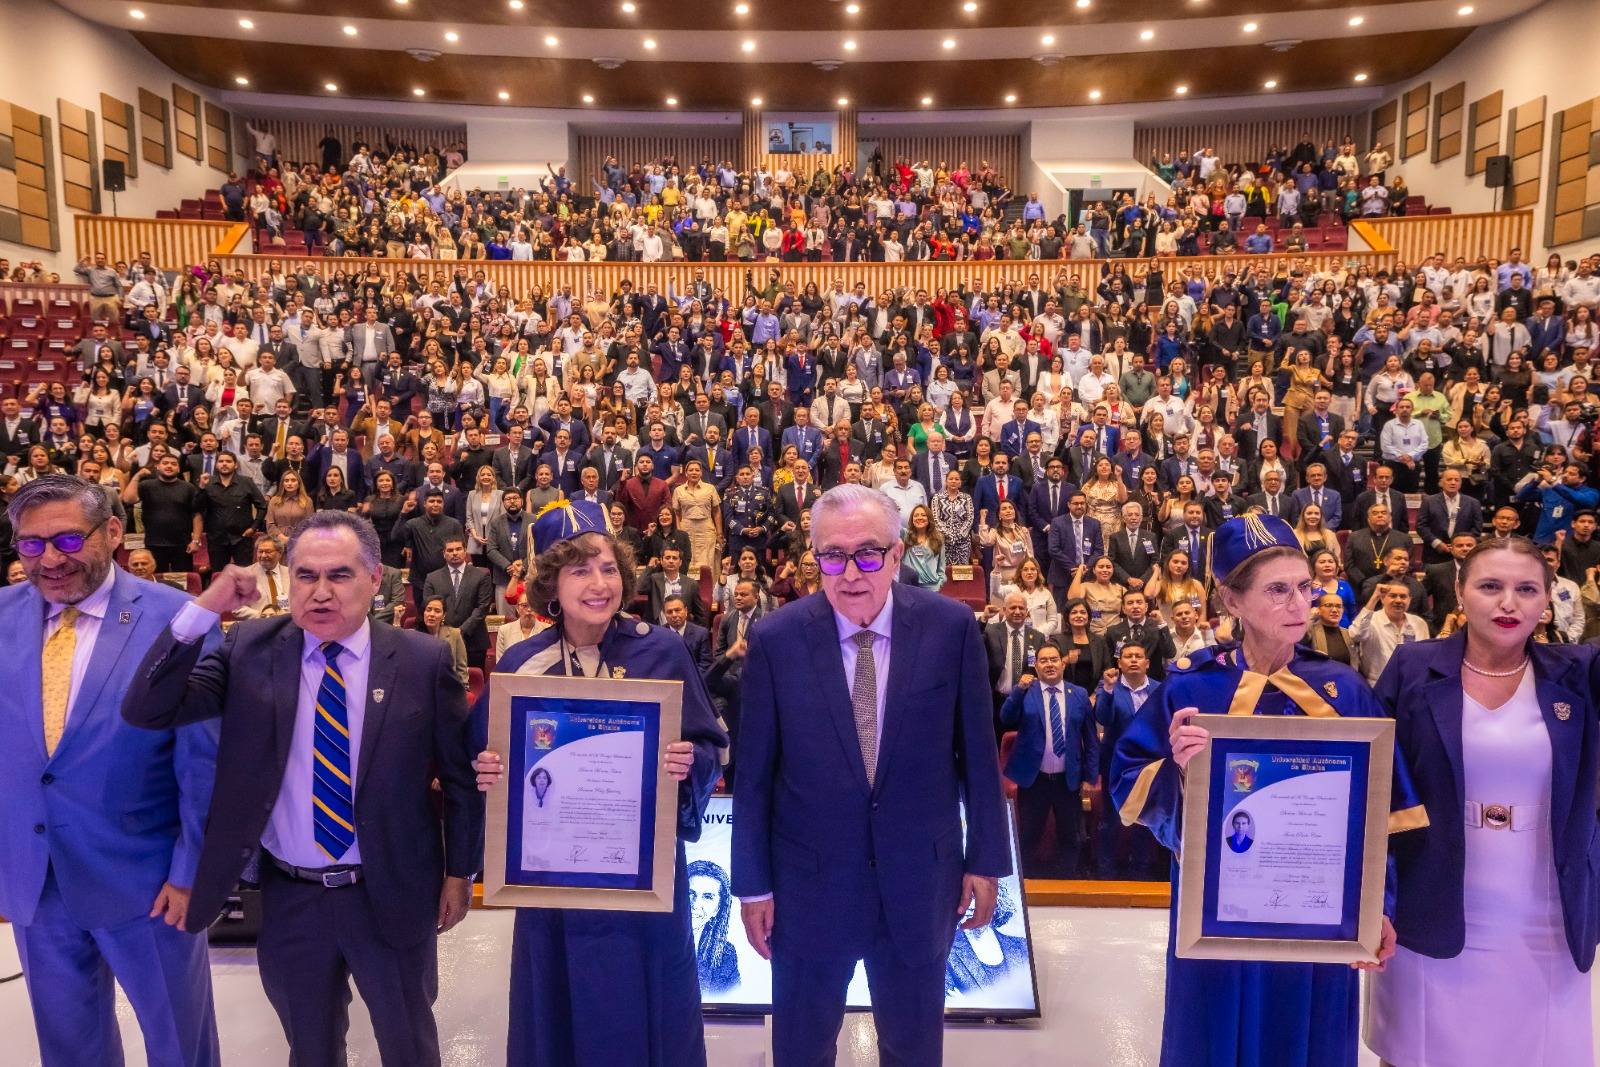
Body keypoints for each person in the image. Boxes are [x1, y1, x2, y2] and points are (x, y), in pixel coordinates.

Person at [122, 511, 480, 1067]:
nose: (320, 592)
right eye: (305, 576)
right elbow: (148, 707)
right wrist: (201, 610)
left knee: (409, 1043)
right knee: (309, 1048)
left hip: (390, 888)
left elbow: (459, 779)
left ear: (374, 577)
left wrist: (460, 872)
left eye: (339, 575)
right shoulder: (248, 648)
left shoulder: (420, 659)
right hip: (291, 897)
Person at [1111, 512, 1425, 1067]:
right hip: (1216, 911)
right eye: (1278, 590)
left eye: (1306, 587)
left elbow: (1385, 818)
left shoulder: (1343, 688)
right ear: (1231, 601)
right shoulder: (1191, 687)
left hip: (1320, 912)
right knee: (1210, 1034)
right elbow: (1129, 782)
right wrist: (1180, 771)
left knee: (1306, 1038)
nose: (1300, 604)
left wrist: (1378, 906)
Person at [733, 483, 1010, 1066]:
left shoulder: (951, 628)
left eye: (868, 553)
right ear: (815, 557)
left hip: (920, 880)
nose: (851, 572)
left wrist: (985, 861)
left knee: (913, 1048)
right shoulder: (775, 639)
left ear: (899, 552)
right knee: (802, 1050)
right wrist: (753, 884)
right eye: (832, 555)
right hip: (807, 886)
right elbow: (754, 774)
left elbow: (979, 757)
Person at [470, 499, 726, 1066]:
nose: (598, 582)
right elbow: (483, 760)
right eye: (579, 569)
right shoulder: (521, 664)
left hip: (646, 880)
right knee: (558, 1013)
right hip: (555, 886)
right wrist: (487, 771)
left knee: (656, 1010)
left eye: (608, 567)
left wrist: (690, 766)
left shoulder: (661, 649)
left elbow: (712, 744)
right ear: (549, 583)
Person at [0, 475, 221, 1067]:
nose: (49, 560)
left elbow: (202, 763)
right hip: (37, 881)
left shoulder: (178, 618)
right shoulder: (0, 615)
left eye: (69, 541)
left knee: (179, 1042)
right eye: (29, 545)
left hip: (150, 884)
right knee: (70, 1049)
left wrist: (192, 871)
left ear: (113, 533)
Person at [1368, 537, 1600, 1067]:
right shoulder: (1411, 667)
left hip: (1545, 913)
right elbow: (1370, 782)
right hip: (1432, 904)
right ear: (1459, 591)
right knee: (1418, 1051)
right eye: (1490, 586)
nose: (1508, 603)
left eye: (1527, 589)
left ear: (1548, 600)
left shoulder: (1580, 671)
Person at [999, 640, 1098, 878]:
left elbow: (1091, 739)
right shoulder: (1026, 692)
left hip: (1068, 780)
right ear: (1036, 665)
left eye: (1054, 659)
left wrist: (1089, 776)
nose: (1049, 664)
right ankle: (1027, 883)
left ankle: (1066, 882)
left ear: (1063, 663)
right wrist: (1018, 690)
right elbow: (1006, 718)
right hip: (1035, 780)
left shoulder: (1080, 694)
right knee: (1029, 835)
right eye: (1043, 660)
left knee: (1071, 836)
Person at [686, 859, 741, 994]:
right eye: (690, 893)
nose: (695, 904)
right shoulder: (652, 942)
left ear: (717, 910)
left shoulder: (726, 954)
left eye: (708, 897)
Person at [419, 595, 471, 688]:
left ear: (444, 615)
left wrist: (463, 690)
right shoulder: (414, 635)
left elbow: (461, 669)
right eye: (428, 610)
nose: (432, 614)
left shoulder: (454, 634)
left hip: (448, 689)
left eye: (437, 611)